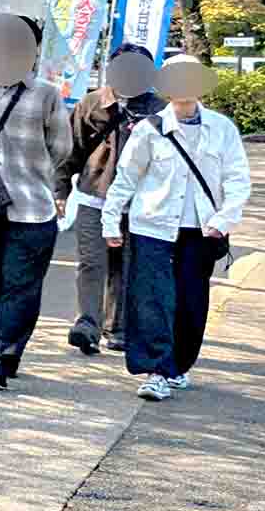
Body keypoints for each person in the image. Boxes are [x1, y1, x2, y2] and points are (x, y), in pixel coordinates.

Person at [104, 54, 253, 400]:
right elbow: (125, 179)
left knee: (190, 300)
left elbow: (237, 179)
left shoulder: (222, 129)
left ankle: (179, 365)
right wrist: (110, 219)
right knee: (152, 299)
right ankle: (157, 369)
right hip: (151, 225)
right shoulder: (149, 129)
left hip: (201, 229)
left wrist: (224, 219)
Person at [0, 16, 75, 390]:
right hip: (30, 202)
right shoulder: (45, 94)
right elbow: (62, 149)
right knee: (15, 284)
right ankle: (2, 351)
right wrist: (35, 168)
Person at [64, 45, 162, 356]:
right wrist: (59, 189)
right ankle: (87, 324)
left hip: (139, 203)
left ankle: (117, 327)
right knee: (91, 262)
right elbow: (70, 148)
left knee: (125, 265)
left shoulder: (159, 109)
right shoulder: (92, 103)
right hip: (95, 195)